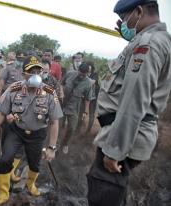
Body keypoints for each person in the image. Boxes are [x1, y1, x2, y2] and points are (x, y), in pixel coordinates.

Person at [87, 0, 171, 205]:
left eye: (125, 18)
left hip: (123, 134)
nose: (123, 23)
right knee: (112, 193)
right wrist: (132, 39)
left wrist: (114, 150)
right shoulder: (151, 40)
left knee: (104, 191)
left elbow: (134, 100)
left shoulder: (148, 43)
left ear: (139, 11)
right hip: (126, 131)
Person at [0, 55, 63, 205]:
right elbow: (2, 113)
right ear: (23, 74)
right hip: (16, 131)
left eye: (38, 71)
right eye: (31, 71)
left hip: (37, 134)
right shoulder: (13, 89)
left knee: (34, 164)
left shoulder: (49, 93)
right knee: (5, 159)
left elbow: (54, 122)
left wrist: (52, 147)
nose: (35, 74)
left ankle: (30, 184)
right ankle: (3, 193)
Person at [61, 63, 93, 154]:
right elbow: (60, 83)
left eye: (84, 74)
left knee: (72, 128)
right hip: (62, 104)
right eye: (81, 73)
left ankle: (65, 143)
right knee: (58, 124)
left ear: (88, 73)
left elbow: (87, 98)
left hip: (74, 107)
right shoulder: (70, 74)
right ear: (78, 70)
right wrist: (61, 92)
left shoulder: (88, 83)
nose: (82, 76)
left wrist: (86, 111)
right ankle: (54, 142)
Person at [85, 61, 100, 134]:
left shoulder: (95, 74)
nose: (88, 67)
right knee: (81, 112)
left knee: (91, 113)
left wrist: (84, 77)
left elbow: (92, 82)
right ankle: (79, 127)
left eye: (89, 66)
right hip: (84, 97)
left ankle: (88, 130)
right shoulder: (85, 73)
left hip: (93, 97)